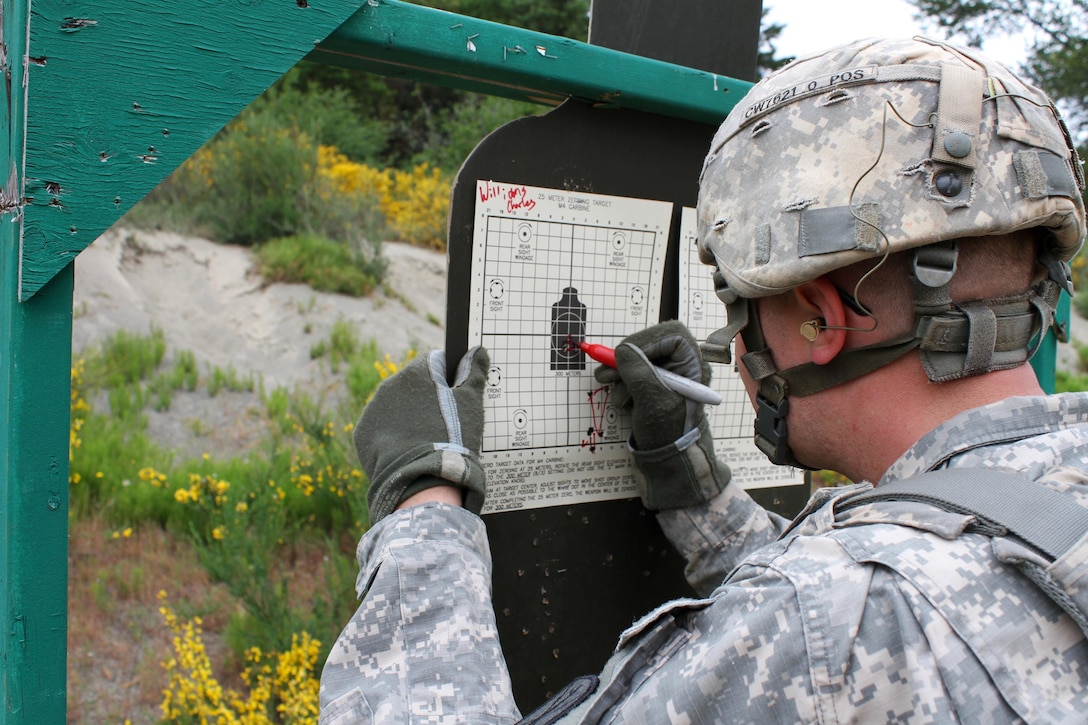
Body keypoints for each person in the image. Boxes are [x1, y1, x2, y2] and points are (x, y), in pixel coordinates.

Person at [320, 37, 1088, 723]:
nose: (732, 341)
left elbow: (818, 644)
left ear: (821, 320)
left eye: (739, 305)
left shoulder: (820, 625)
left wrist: (422, 511)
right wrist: (698, 492)